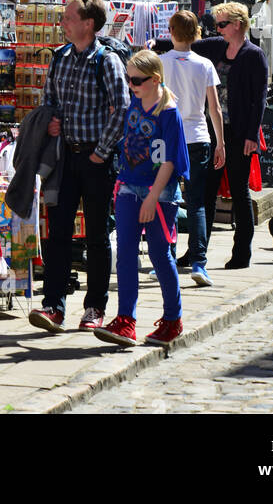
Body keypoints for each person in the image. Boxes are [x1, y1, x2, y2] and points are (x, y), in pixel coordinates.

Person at [28, 0, 130, 333]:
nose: (63, 23)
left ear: (88, 24)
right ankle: (53, 306)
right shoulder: (59, 58)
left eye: (69, 18)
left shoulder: (107, 61)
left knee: (97, 235)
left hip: (96, 159)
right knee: (57, 232)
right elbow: (49, 101)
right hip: (64, 156)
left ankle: (94, 308)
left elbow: (123, 109)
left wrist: (101, 151)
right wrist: (51, 122)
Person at [94, 50, 189, 347]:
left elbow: (170, 161)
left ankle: (173, 319)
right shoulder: (135, 101)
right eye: (128, 79)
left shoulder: (169, 113)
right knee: (125, 254)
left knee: (161, 255)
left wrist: (151, 198)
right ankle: (126, 320)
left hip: (158, 193)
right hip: (128, 185)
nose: (131, 85)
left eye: (136, 80)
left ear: (155, 79)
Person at [195, 2, 268, 269]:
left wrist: (251, 135)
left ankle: (241, 253)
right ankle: (197, 250)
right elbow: (186, 45)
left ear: (238, 24)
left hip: (239, 134)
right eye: (217, 24)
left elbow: (259, 99)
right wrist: (157, 43)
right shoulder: (217, 46)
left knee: (239, 192)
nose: (218, 29)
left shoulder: (254, 55)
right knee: (206, 192)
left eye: (223, 24)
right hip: (215, 131)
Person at [161, 10, 225, 286]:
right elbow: (215, 108)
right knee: (197, 202)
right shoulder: (205, 64)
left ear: (171, 32)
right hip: (198, 137)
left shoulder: (160, 63)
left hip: (169, 138)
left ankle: (167, 258)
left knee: (167, 201)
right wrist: (221, 142)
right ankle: (199, 262)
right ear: (196, 33)